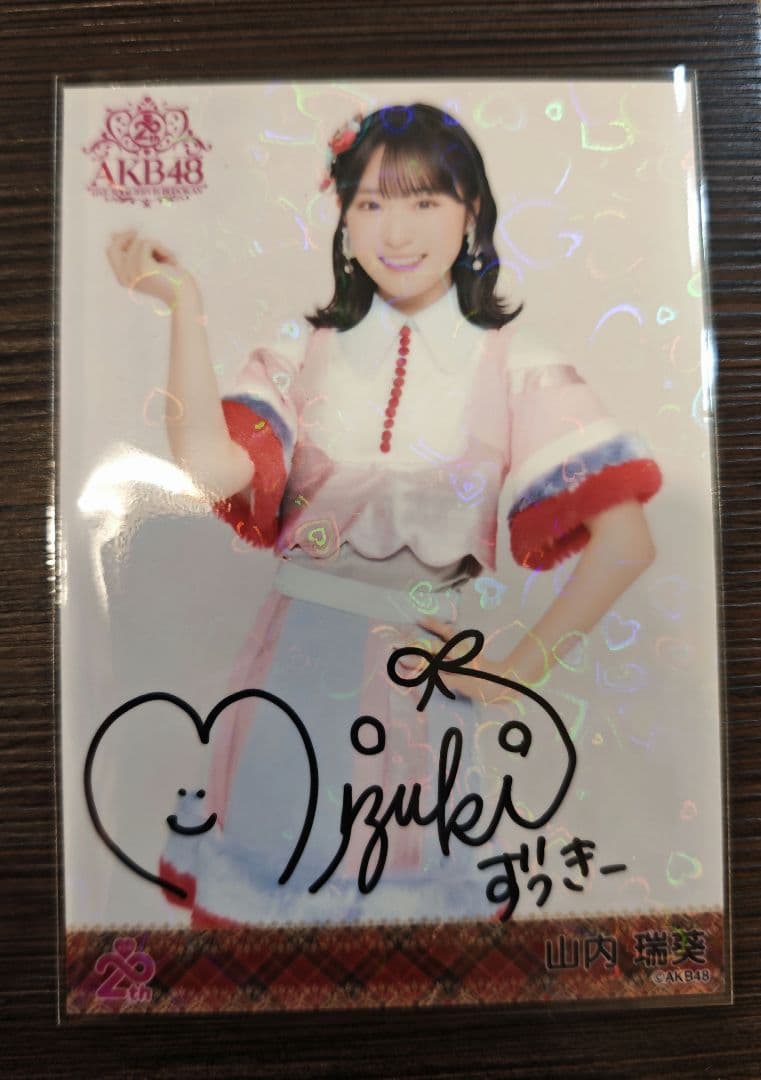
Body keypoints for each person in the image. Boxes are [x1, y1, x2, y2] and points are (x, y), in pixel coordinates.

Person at [106, 103, 661, 928]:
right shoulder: (299, 355)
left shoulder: (521, 368)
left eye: (424, 201)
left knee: (405, 922)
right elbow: (208, 468)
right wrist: (182, 306)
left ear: (471, 211)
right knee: (270, 907)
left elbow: (625, 542)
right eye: (369, 203)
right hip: (288, 671)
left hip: (417, 684)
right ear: (343, 218)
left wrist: (518, 672)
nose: (395, 232)